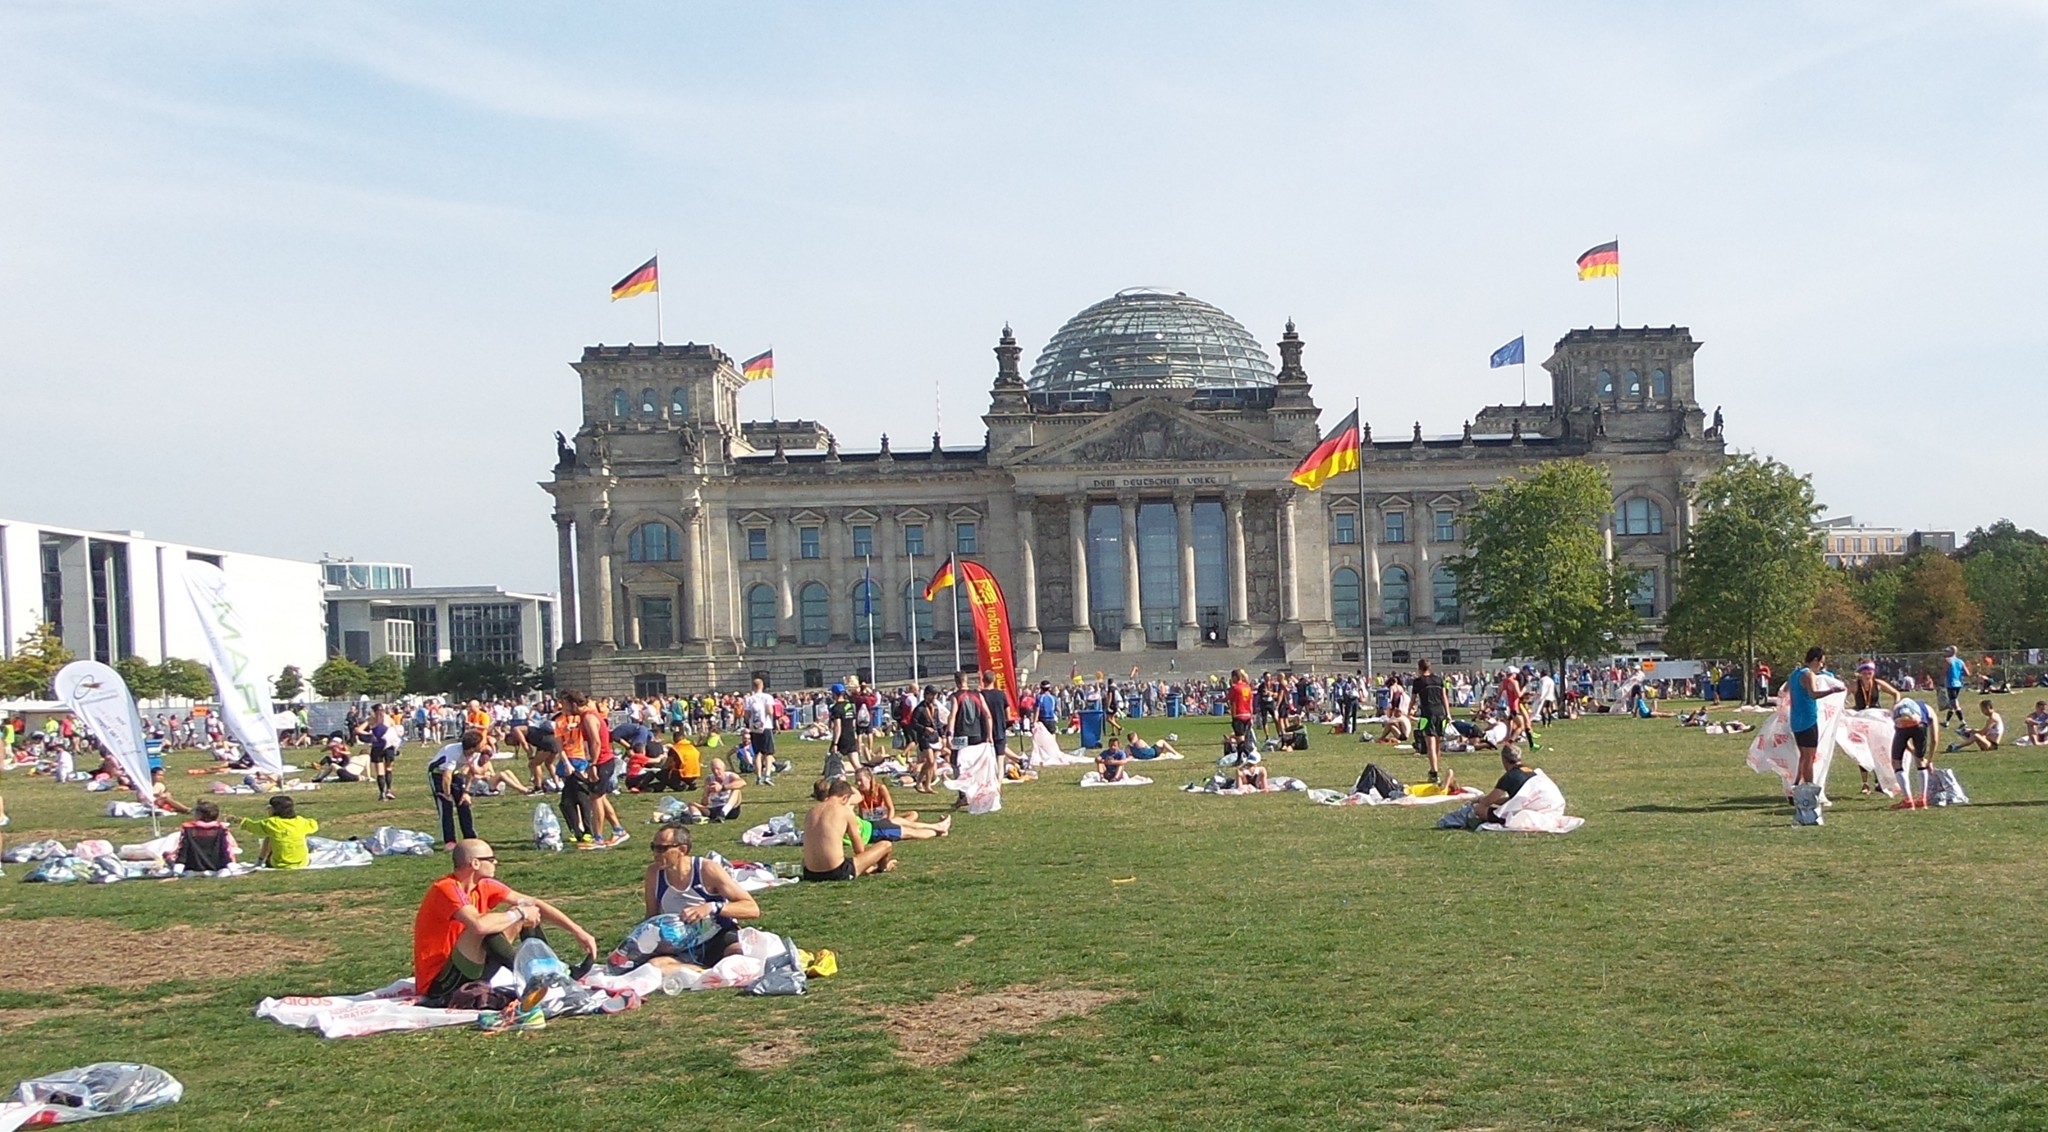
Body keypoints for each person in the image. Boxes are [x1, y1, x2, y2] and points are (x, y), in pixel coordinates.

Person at [412, 839, 598, 1007]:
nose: (496, 862)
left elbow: (533, 904)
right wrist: (519, 912)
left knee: (523, 912)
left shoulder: (484, 886)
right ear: (475, 863)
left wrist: (577, 931)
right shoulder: (446, 888)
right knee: (489, 926)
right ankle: (534, 976)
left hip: (471, 968)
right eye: (491, 859)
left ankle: (548, 971)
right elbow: (479, 925)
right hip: (439, 983)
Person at [642, 826, 760, 965]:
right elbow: (651, 917)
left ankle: (696, 970)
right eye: (653, 847)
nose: (656, 853)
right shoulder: (653, 873)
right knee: (655, 965)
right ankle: (700, 971)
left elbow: (752, 908)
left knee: (739, 955)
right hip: (680, 943)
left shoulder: (706, 869)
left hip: (717, 937)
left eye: (662, 849)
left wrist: (711, 907)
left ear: (682, 850)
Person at [1787, 647, 1845, 819]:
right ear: (1815, 659)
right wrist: (1832, 691)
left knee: (1804, 756)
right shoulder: (1807, 674)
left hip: (1796, 719)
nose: (1821, 666)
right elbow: (1813, 694)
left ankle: (1796, 786)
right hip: (1808, 720)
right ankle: (1809, 791)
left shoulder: (1794, 674)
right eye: (1821, 662)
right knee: (1809, 758)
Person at [800, 778, 893, 880]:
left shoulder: (811, 811)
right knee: (886, 845)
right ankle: (882, 869)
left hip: (809, 873)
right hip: (836, 872)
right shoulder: (845, 811)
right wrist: (866, 865)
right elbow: (859, 849)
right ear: (845, 798)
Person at [853, 766, 951, 838]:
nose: (858, 783)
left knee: (912, 815)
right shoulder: (859, 793)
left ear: (869, 779)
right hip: (872, 824)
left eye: (860, 780)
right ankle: (938, 827)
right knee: (904, 824)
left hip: (884, 819)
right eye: (857, 781)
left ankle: (938, 828)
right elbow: (861, 814)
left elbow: (891, 808)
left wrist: (888, 820)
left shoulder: (880, 788)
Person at [428, 730, 483, 850]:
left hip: (455, 773)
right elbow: (446, 776)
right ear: (473, 746)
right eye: (480, 743)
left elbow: (470, 772)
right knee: (446, 806)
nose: (483, 745)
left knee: (464, 805)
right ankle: (450, 841)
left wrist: (466, 792)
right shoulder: (453, 752)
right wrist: (447, 794)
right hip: (438, 773)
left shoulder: (475, 753)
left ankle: (470, 837)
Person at [238, 794, 318, 869]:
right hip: (302, 863)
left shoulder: (272, 823)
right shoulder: (300, 821)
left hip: (279, 863)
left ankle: (259, 861)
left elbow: (253, 827)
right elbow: (314, 825)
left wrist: (242, 821)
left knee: (269, 837)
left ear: (274, 809)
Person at [1889, 698, 1938, 810]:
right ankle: (1923, 799)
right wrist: (1929, 761)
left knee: (1896, 762)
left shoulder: (1899, 711)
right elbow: (1934, 739)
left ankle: (1908, 800)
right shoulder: (1929, 711)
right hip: (1919, 727)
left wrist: (1913, 751)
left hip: (1901, 725)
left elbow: (1901, 735)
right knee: (1920, 761)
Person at [1471, 744, 1538, 825]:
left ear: (1504, 759)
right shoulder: (1531, 772)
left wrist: (1480, 800)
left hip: (1521, 815)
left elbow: (1487, 802)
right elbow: (1512, 800)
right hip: (1536, 809)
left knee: (1479, 809)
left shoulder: (1510, 776)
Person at [1411, 659, 1450, 784]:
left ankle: (1434, 772)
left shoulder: (1418, 682)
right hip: (1441, 713)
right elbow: (1444, 697)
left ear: (1419, 668)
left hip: (1427, 714)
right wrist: (1448, 713)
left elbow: (1413, 699)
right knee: (1437, 743)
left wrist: (1408, 711)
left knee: (1430, 745)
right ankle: (1435, 768)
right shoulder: (1439, 680)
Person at [174, 799, 237, 872]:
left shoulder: (188, 829)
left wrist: (177, 871)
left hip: (192, 868)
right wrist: (233, 869)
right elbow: (225, 851)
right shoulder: (220, 829)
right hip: (217, 867)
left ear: (199, 815)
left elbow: (183, 852)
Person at [742, 676, 779, 786]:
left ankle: (758, 776)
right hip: (766, 726)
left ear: (753, 686)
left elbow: (747, 715)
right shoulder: (767, 697)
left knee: (757, 753)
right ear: (762, 686)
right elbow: (770, 711)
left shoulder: (749, 699)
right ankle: (767, 775)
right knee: (768, 753)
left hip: (755, 728)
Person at [367, 703, 403, 801]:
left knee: (380, 772)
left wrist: (370, 735)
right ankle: (389, 790)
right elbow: (396, 732)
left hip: (377, 747)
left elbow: (358, 730)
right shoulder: (388, 719)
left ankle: (382, 793)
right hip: (389, 746)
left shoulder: (371, 720)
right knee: (389, 769)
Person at [693, 757, 744, 822]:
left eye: (718, 769)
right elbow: (704, 803)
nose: (716, 772)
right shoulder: (709, 779)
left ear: (724, 768)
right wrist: (707, 793)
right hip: (715, 809)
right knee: (692, 804)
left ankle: (724, 812)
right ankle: (697, 817)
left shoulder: (731, 776)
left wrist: (722, 788)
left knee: (737, 789)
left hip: (731, 809)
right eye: (713, 769)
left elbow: (742, 783)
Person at [1940, 646, 1969, 725]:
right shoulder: (1960, 661)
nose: (1946, 653)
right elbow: (1967, 673)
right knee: (1952, 703)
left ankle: (1962, 722)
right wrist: (1958, 673)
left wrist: (1940, 683)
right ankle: (1947, 722)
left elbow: (1944, 672)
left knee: (1955, 704)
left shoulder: (1948, 661)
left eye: (1948, 651)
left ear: (1952, 652)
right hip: (1958, 684)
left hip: (1951, 684)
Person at [1227, 669, 1255, 746]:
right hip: (1248, 715)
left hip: (1238, 715)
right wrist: (1251, 716)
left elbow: (1228, 698)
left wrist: (1219, 700)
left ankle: (1242, 755)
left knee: (1240, 739)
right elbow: (1250, 702)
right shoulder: (1247, 688)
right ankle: (1244, 753)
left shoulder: (1235, 688)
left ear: (1235, 677)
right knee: (1244, 736)